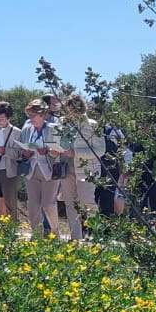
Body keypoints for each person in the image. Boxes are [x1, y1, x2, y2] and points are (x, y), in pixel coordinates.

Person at [56, 95, 103, 240]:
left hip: (87, 169)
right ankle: (75, 237)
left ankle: (97, 234)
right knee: (70, 203)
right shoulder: (62, 124)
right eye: (68, 109)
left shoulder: (93, 124)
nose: (70, 112)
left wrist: (76, 153)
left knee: (87, 201)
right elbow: (58, 142)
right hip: (66, 167)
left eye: (73, 109)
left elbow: (100, 150)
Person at [18, 101, 67, 238]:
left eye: (34, 115)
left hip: (50, 171)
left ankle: (55, 233)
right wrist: (25, 152)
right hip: (31, 170)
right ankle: (36, 235)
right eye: (29, 115)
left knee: (48, 204)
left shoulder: (54, 128)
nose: (31, 118)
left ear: (43, 115)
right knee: (33, 205)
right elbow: (22, 149)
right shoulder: (27, 129)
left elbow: (60, 150)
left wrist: (48, 150)